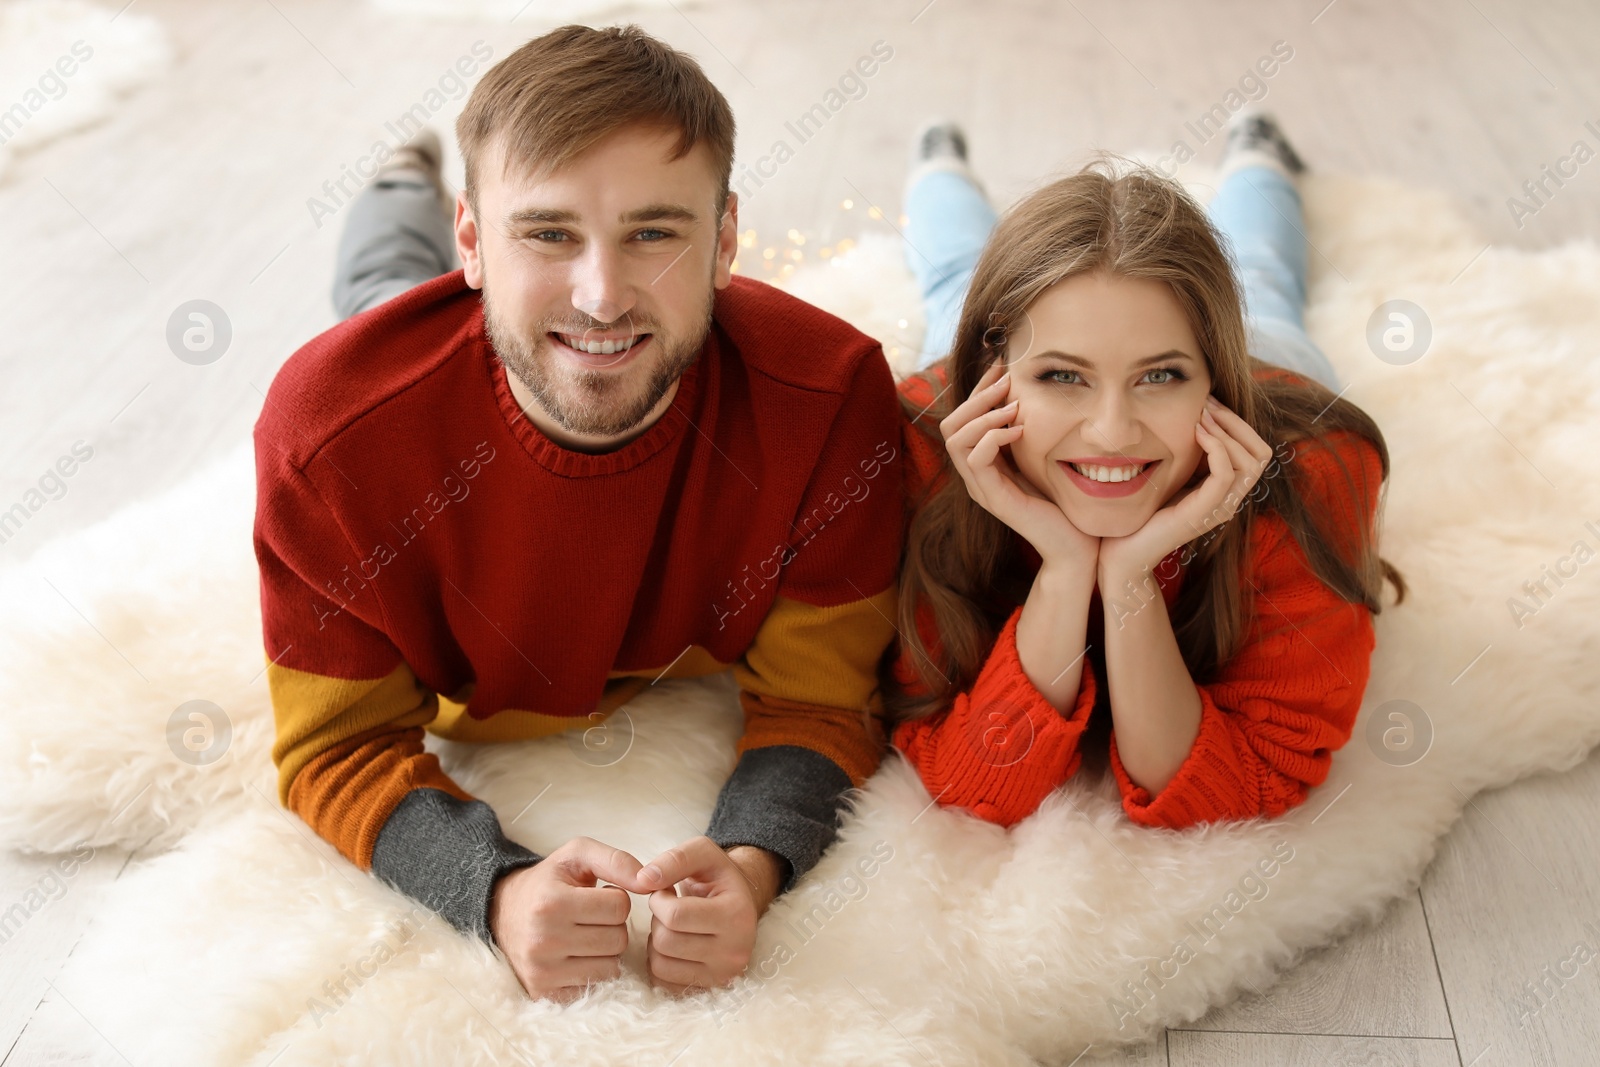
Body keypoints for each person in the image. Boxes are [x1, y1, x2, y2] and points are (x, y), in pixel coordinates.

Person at [253, 24, 905, 1003]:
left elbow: (821, 701)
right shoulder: (329, 437)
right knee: (379, 289)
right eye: (547, 232)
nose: (602, 295)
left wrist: (755, 860)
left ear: (725, 239)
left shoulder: (833, 400)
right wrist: (497, 887)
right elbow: (333, 744)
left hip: (505, 343)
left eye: (653, 231)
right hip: (425, 351)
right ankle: (399, 183)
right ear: (472, 240)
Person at [885, 114, 1408, 830]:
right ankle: (937, 159)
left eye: (1161, 375)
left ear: (1215, 383)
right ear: (997, 377)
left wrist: (1129, 576)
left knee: (1260, 275)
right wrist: (1068, 568)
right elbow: (977, 782)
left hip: (1270, 378)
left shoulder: (1312, 465)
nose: (1111, 431)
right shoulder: (923, 450)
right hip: (994, 358)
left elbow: (1247, 778)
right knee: (953, 281)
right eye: (1062, 376)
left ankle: (1256, 149)